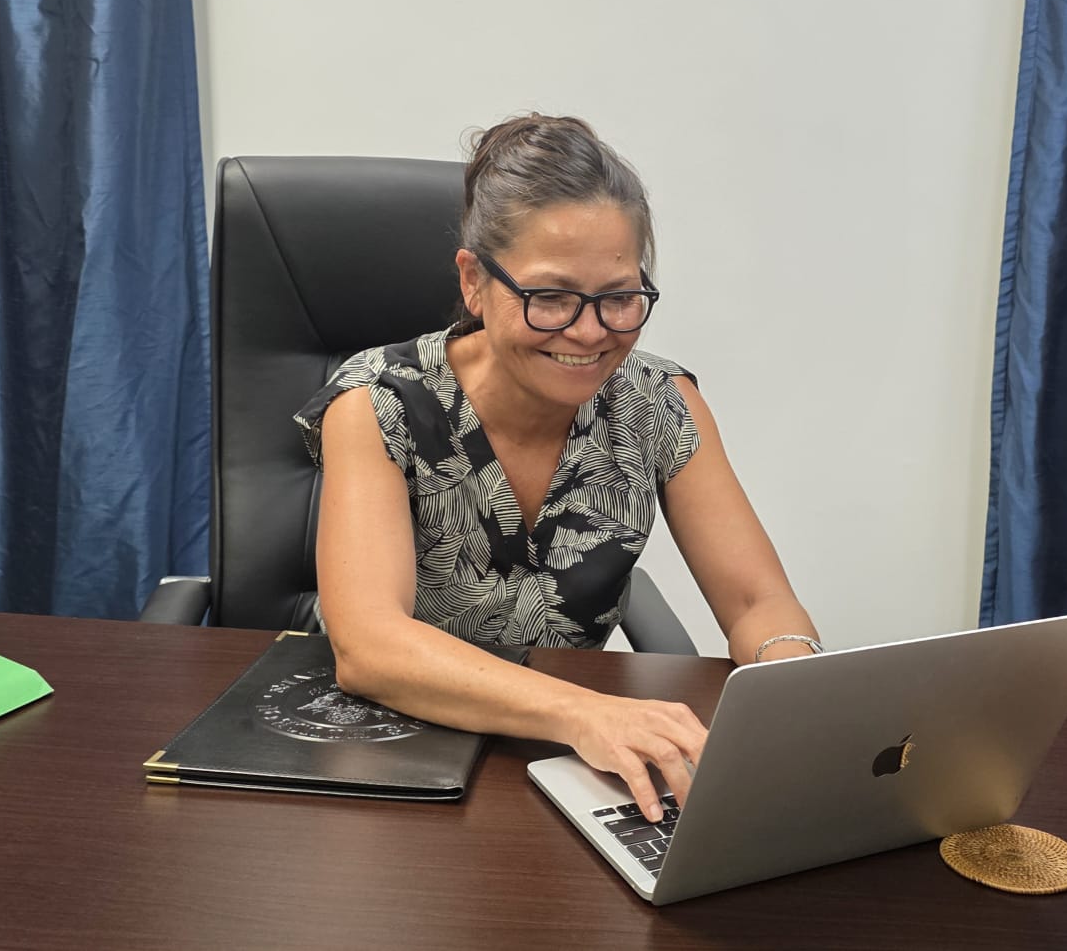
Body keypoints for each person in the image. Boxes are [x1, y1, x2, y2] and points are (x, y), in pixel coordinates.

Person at [296, 113, 820, 823]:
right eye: (551, 298)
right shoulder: (376, 405)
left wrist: (796, 681)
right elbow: (371, 647)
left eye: (620, 298)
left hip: (568, 777)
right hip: (387, 763)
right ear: (475, 281)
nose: (589, 332)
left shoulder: (660, 404)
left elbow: (759, 602)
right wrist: (587, 714)